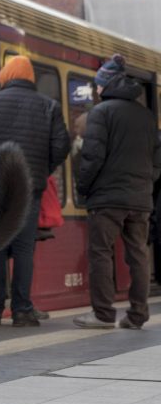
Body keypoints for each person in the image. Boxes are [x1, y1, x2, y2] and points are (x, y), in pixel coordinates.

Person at [0, 55, 69, 327]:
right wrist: (41, 170)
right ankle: (22, 309)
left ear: (5, 76)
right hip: (30, 187)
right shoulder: (49, 106)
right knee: (23, 246)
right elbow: (61, 146)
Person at [73, 54, 161, 329]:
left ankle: (102, 313)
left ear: (106, 85)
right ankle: (138, 313)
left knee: (100, 252)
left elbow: (92, 156)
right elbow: (157, 160)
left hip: (107, 198)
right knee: (138, 253)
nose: (97, 90)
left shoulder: (100, 113)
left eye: (98, 85)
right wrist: (146, 183)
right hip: (140, 198)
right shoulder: (147, 116)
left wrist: (83, 187)